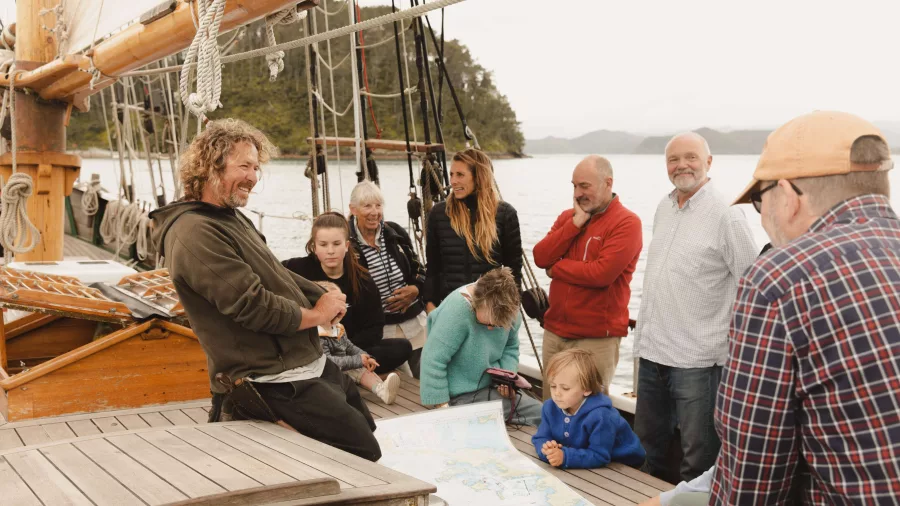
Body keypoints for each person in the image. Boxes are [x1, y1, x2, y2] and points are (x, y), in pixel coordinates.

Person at [150, 119, 380, 461]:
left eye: (256, 167)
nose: (253, 177)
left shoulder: (228, 217)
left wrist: (318, 294)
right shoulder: (194, 232)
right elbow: (253, 305)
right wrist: (317, 315)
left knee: (367, 428)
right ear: (210, 166)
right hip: (267, 377)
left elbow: (274, 272)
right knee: (362, 452)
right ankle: (251, 417)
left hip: (303, 362)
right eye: (244, 165)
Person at [711, 111, 900, 503]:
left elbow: (753, 473)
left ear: (790, 195)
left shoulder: (778, 280)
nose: (762, 218)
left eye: (759, 202)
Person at [632, 132, 757, 483]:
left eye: (690, 157)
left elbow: (752, 285)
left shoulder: (727, 215)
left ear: (709, 162)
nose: (681, 165)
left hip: (699, 363)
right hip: (653, 355)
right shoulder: (663, 207)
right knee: (645, 451)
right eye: (673, 159)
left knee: (698, 462)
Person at [533, 155, 642, 396]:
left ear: (608, 183)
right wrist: (574, 225)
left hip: (595, 339)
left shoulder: (627, 223)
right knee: (552, 408)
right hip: (555, 332)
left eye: (585, 185)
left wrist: (556, 269)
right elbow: (541, 257)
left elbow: (601, 274)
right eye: (574, 186)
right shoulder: (567, 218)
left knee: (589, 415)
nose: (577, 193)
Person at [283, 212, 412, 375]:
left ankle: (345, 366)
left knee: (402, 347)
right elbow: (267, 275)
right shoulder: (296, 269)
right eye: (323, 245)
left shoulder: (363, 280)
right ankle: (351, 369)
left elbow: (375, 328)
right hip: (311, 348)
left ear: (346, 245)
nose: (330, 251)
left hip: (348, 345)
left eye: (336, 244)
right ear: (314, 247)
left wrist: (344, 347)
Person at [419, 267, 542, 426]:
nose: (491, 328)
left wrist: (505, 380)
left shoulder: (512, 311)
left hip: (492, 389)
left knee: (544, 413)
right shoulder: (457, 310)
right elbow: (433, 359)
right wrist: (442, 408)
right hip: (455, 397)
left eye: (497, 325)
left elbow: (510, 347)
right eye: (487, 323)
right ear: (475, 302)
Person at [423, 148, 523, 311]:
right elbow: (433, 267)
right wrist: (430, 305)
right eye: (452, 174)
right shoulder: (440, 214)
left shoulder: (505, 214)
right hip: (449, 308)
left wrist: (508, 311)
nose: (453, 181)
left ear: (479, 178)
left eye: (460, 175)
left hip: (490, 311)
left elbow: (514, 271)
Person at [348, 181, 427, 378]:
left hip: (415, 323)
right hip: (383, 331)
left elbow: (418, 268)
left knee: (426, 376)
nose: (374, 212)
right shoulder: (347, 244)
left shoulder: (395, 232)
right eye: (367, 206)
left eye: (378, 205)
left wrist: (415, 289)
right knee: (402, 384)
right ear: (353, 209)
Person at [531, 349, 645, 469]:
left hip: (626, 465)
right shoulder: (550, 407)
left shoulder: (602, 416)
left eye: (565, 388)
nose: (557, 393)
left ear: (587, 390)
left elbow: (599, 456)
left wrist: (565, 457)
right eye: (553, 386)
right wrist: (546, 450)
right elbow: (540, 437)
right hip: (587, 458)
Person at [318, 320, 401, 405]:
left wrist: (366, 357)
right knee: (355, 367)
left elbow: (350, 347)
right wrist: (357, 360)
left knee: (361, 367)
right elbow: (328, 362)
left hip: (342, 369)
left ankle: (382, 389)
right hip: (326, 374)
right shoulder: (318, 335)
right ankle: (381, 388)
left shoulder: (337, 327)